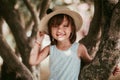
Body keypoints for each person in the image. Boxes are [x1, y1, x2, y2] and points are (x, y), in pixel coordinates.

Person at [29, 7, 93, 80]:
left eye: (65, 26)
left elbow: (91, 62)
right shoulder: (50, 49)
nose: (59, 29)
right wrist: (38, 41)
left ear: (72, 28)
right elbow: (32, 61)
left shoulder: (79, 48)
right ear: (50, 29)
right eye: (55, 26)